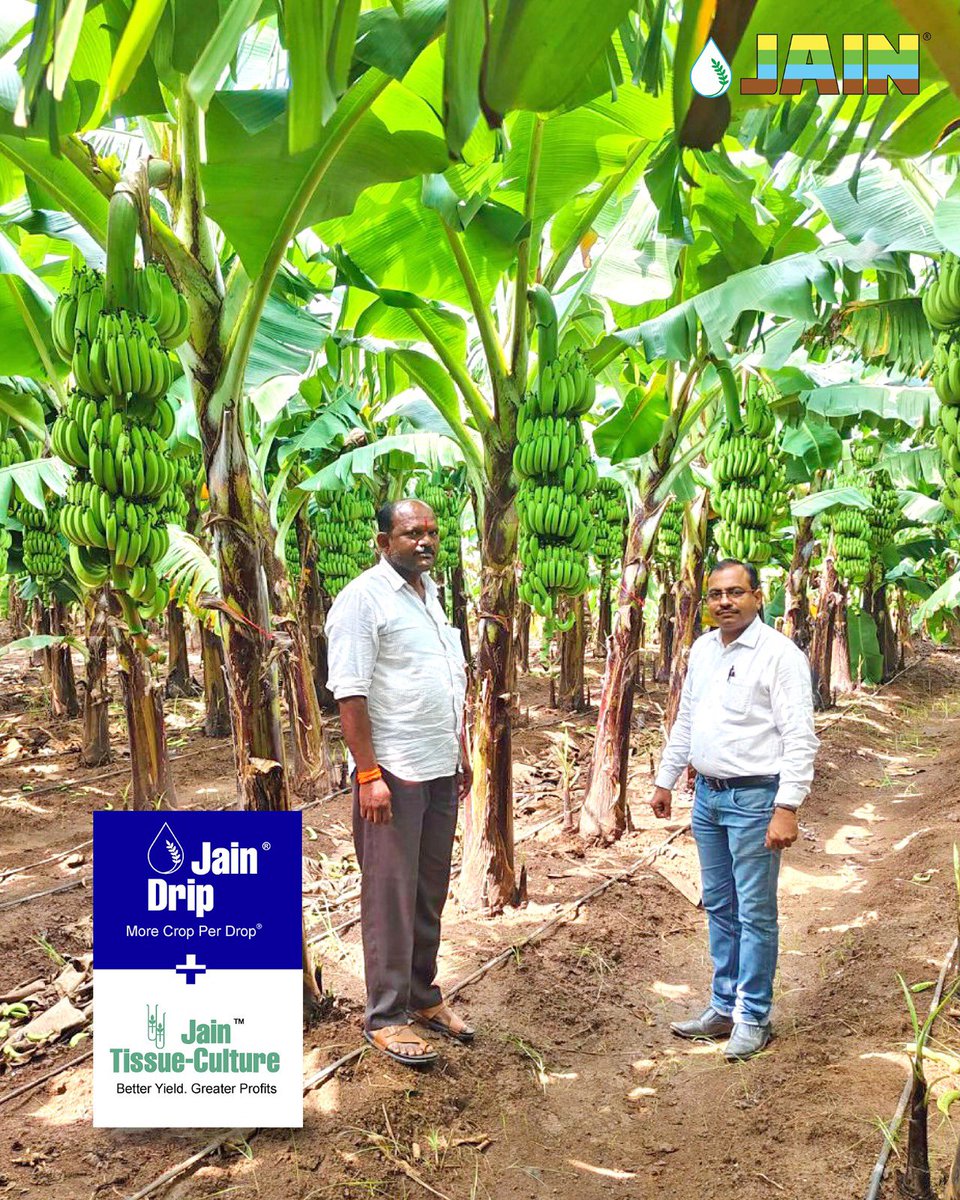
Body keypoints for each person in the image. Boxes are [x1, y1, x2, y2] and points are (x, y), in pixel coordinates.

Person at [326, 498, 474, 1068]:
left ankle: (422, 994)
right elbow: (351, 693)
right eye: (413, 533)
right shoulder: (363, 601)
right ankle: (385, 1016)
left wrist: (458, 752)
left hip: (437, 765)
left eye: (433, 532)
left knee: (428, 887)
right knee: (390, 892)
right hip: (390, 771)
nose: (426, 542)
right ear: (383, 540)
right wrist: (368, 774)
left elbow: (444, 683)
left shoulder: (431, 597)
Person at [650, 559, 818, 1061]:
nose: (725, 601)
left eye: (735, 592)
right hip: (709, 796)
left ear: (757, 596)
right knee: (720, 906)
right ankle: (722, 1006)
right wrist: (664, 778)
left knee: (755, 912)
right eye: (716, 594)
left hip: (754, 798)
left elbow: (799, 737)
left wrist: (786, 806)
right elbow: (686, 720)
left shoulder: (780, 655)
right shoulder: (703, 649)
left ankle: (753, 1015)